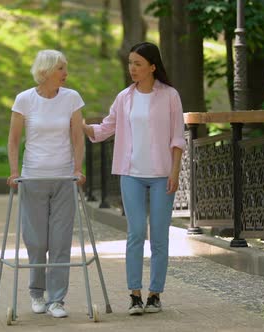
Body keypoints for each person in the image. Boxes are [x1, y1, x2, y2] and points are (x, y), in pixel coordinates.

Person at [83, 42, 185, 315]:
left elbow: (177, 137)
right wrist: (82, 127)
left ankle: (155, 294)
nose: (132, 69)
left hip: (163, 175)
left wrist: (175, 172)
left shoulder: (170, 96)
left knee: (160, 237)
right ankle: (135, 294)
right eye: (130, 63)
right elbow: (107, 127)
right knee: (136, 232)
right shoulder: (124, 97)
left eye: (138, 64)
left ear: (153, 66)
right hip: (131, 175)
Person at [7, 49, 85, 318]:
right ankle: (36, 294)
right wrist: (14, 171)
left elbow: (77, 138)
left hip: (64, 179)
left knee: (61, 241)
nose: (66, 73)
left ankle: (57, 300)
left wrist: (77, 168)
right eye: (61, 68)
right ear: (46, 71)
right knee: (37, 241)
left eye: (65, 68)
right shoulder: (24, 100)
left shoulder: (72, 98)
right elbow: (14, 140)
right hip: (33, 178)